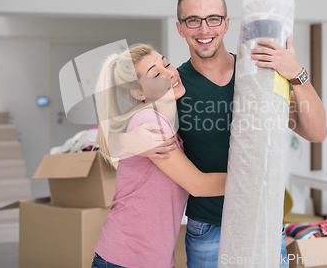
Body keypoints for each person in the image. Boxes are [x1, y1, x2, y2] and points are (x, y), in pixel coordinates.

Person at [116, 0, 327, 268]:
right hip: (208, 230)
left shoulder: (257, 74)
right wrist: (125, 141)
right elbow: (121, 128)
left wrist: (296, 73)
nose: (204, 30)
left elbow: (316, 132)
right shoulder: (171, 86)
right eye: (193, 20)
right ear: (180, 28)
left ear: (227, 24)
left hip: (263, 222)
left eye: (213, 19)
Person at [92, 44, 228, 268]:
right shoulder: (149, 123)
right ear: (139, 93)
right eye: (156, 74)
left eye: (166, 64)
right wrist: (254, 180)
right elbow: (198, 185)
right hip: (126, 258)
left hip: (150, 259)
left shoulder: (167, 125)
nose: (170, 74)